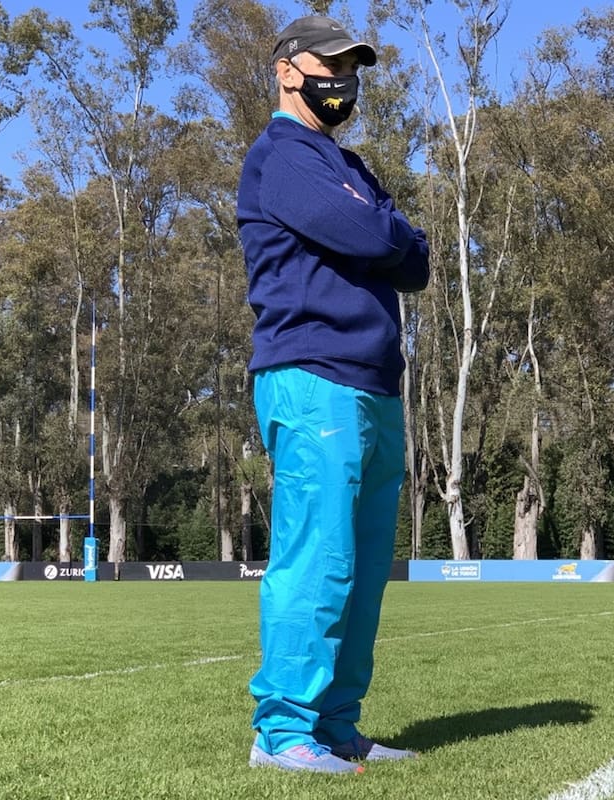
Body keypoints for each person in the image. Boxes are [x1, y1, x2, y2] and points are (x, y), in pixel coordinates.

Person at [237, 15, 430, 775]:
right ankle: (282, 733)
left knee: (363, 569)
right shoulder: (282, 157)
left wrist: (386, 231)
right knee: (320, 560)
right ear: (288, 70)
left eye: (354, 66)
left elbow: (412, 259)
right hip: (313, 376)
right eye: (331, 63)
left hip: (376, 386)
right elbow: (381, 239)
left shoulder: (345, 162)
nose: (344, 78)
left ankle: (337, 724)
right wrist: (385, 232)